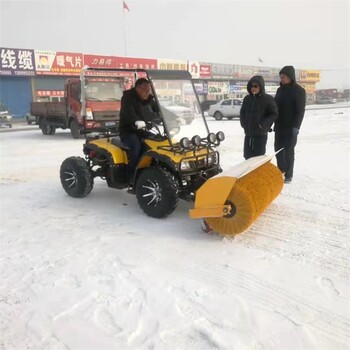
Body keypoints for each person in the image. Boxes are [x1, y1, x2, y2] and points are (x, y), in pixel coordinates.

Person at [119, 78, 158, 186]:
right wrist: (137, 121)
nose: (147, 92)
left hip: (143, 130)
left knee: (156, 143)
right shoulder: (127, 97)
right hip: (128, 130)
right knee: (136, 147)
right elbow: (129, 113)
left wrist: (171, 117)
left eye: (149, 89)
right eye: (145, 89)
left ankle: (151, 170)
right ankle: (132, 176)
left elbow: (158, 108)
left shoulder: (148, 98)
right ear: (137, 88)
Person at [274, 66, 306, 183]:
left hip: (291, 127)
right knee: (278, 150)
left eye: (283, 77)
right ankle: (281, 170)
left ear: (290, 77)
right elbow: (275, 108)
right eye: (280, 77)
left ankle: (289, 174)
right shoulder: (279, 90)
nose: (281, 79)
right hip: (279, 126)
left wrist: (296, 127)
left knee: (288, 151)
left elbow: (300, 111)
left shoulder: (299, 91)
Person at [240, 75, 278, 159]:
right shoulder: (247, 99)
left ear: (261, 87)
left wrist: (264, 124)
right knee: (247, 157)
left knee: (258, 158)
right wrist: (244, 124)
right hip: (248, 134)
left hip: (260, 135)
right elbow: (242, 113)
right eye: (251, 86)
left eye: (255, 86)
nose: (253, 88)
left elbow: (274, 114)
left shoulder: (267, 99)